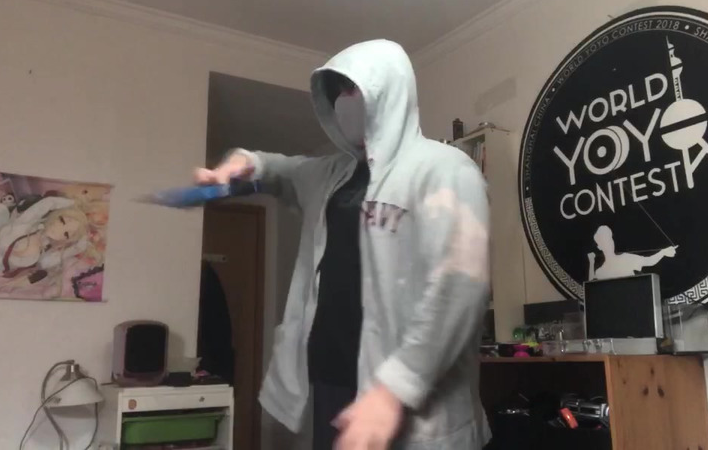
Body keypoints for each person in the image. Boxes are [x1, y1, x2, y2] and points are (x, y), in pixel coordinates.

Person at [194, 39, 491, 449]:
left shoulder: (444, 169)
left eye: (354, 89)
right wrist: (244, 163)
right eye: (338, 92)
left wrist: (394, 390)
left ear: (388, 90)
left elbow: (461, 285)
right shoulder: (331, 173)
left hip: (407, 400)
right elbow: (279, 170)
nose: (344, 102)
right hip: (334, 385)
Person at [586, 225, 677, 280]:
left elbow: (649, 261)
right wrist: (591, 262)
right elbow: (591, 287)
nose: (609, 243)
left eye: (610, 239)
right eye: (605, 241)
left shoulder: (626, 258)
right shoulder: (601, 271)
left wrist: (663, 252)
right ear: (599, 246)